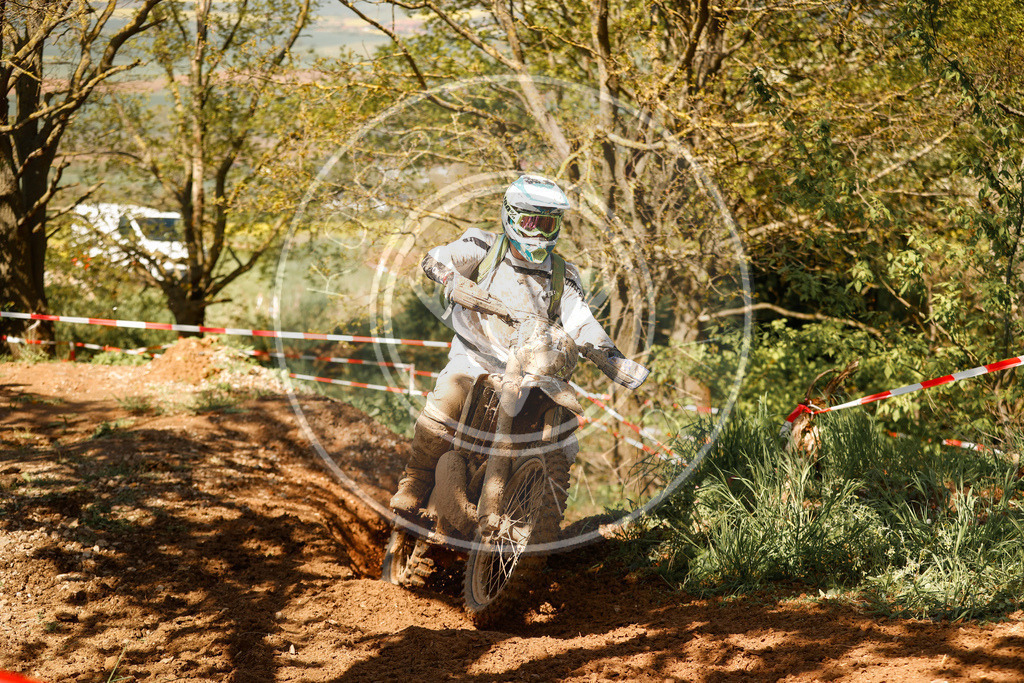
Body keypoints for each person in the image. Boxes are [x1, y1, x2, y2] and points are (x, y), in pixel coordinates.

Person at [389, 174, 630, 515]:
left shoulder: (563, 273)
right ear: (510, 215)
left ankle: (541, 506)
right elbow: (434, 258)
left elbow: (581, 321)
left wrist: (612, 357)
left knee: (564, 430)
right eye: (531, 221)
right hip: (476, 356)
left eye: (547, 223)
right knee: (449, 394)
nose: (539, 232)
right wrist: (451, 280)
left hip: (533, 366)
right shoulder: (482, 245)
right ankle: (415, 479)